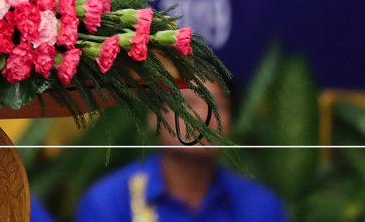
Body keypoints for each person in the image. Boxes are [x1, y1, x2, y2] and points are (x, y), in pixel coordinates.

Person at [74, 83, 289, 222]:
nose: (204, 116)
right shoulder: (109, 202)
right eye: (189, 102)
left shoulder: (259, 207)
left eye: (218, 105)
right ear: (154, 117)